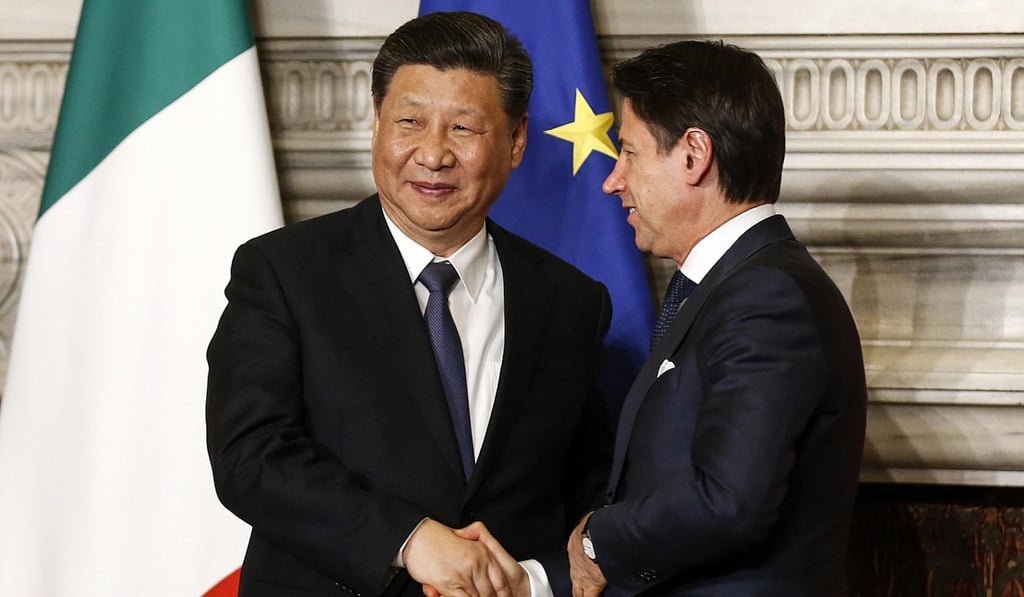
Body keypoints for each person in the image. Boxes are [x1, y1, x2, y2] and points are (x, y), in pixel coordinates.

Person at [206, 11, 613, 597]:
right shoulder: (283, 271)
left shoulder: (571, 301)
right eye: (409, 122)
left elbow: (586, 485)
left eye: (464, 129)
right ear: (377, 124)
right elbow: (251, 456)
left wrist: (543, 580)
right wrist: (408, 538)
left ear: (517, 140)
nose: (432, 154)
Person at [567, 40, 867, 596]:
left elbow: (728, 499)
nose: (613, 180)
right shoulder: (729, 286)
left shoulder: (766, 295)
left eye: (629, 152)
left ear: (694, 154)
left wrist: (597, 542)